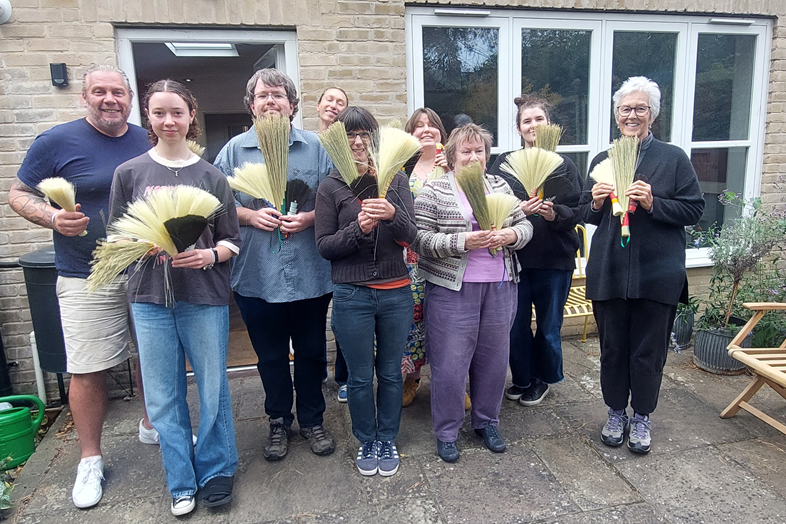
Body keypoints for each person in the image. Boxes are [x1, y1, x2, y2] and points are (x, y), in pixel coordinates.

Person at [8, 64, 153, 509]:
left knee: (155, 352)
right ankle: (90, 459)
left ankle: (154, 423)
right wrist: (52, 217)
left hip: (147, 266)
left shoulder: (145, 138)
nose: (110, 99)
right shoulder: (56, 141)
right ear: (84, 98)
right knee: (88, 366)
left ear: (130, 98)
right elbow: (18, 192)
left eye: (117, 92)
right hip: (85, 273)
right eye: (99, 92)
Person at [108, 79, 240, 516]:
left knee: (213, 387)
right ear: (148, 117)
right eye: (160, 113)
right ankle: (181, 479)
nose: (169, 121)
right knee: (164, 396)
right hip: (149, 301)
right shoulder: (129, 174)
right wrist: (138, 245)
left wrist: (207, 255)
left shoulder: (211, 176)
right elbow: (115, 239)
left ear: (191, 117)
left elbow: (231, 242)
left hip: (203, 297)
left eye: (177, 113)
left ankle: (218, 470)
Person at [214, 69, 335, 461]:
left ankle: (313, 419)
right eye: (263, 96)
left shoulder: (317, 148)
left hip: (311, 274)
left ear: (292, 105)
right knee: (269, 355)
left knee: (313, 351)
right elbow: (212, 206)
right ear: (251, 106)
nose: (270, 101)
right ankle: (278, 420)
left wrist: (310, 218)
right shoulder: (233, 152)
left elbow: (339, 200)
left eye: (278, 95)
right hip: (256, 276)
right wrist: (249, 217)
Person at [579, 76, 704, 454]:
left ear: (652, 114)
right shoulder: (603, 159)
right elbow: (587, 212)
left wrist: (654, 203)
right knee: (613, 348)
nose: (632, 115)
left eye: (640, 109)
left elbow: (695, 209)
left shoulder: (673, 158)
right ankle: (616, 411)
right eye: (625, 109)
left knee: (648, 351)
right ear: (616, 116)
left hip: (657, 273)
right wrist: (597, 202)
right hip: (611, 271)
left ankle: (643, 416)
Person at [413, 123, 533, 463]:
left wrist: (510, 236)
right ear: (451, 157)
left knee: (494, 361)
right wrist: (462, 241)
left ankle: (486, 422)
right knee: (450, 365)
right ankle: (448, 432)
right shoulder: (435, 191)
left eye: (479, 150)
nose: (473, 156)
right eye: (465, 151)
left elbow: (524, 226)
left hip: (500, 286)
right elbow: (420, 240)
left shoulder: (500, 184)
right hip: (453, 291)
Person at [315, 106, 417, 477]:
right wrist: (357, 227)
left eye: (364, 134)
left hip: (395, 294)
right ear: (341, 141)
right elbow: (324, 246)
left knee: (390, 373)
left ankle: (387, 437)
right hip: (351, 296)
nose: (358, 142)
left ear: (374, 138)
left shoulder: (396, 180)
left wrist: (392, 214)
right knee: (359, 376)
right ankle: (366, 439)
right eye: (350, 135)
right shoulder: (330, 186)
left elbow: (414, 236)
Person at [487, 95, 582, 406]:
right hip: (515, 259)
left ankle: (542, 379)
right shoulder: (503, 164)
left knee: (548, 326)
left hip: (554, 258)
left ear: (549, 124)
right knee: (514, 326)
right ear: (518, 128)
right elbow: (489, 205)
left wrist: (556, 214)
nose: (533, 125)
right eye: (527, 121)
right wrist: (516, 208)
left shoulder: (563, 165)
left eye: (538, 119)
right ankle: (522, 377)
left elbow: (578, 211)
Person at [401, 108, 463, 408]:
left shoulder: (454, 165)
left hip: (447, 256)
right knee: (413, 322)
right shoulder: (402, 168)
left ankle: (453, 383)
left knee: (449, 323)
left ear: (442, 132)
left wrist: (451, 170)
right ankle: (411, 379)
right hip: (411, 260)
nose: (426, 130)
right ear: (409, 134)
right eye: (418, 126)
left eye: (432, 125)